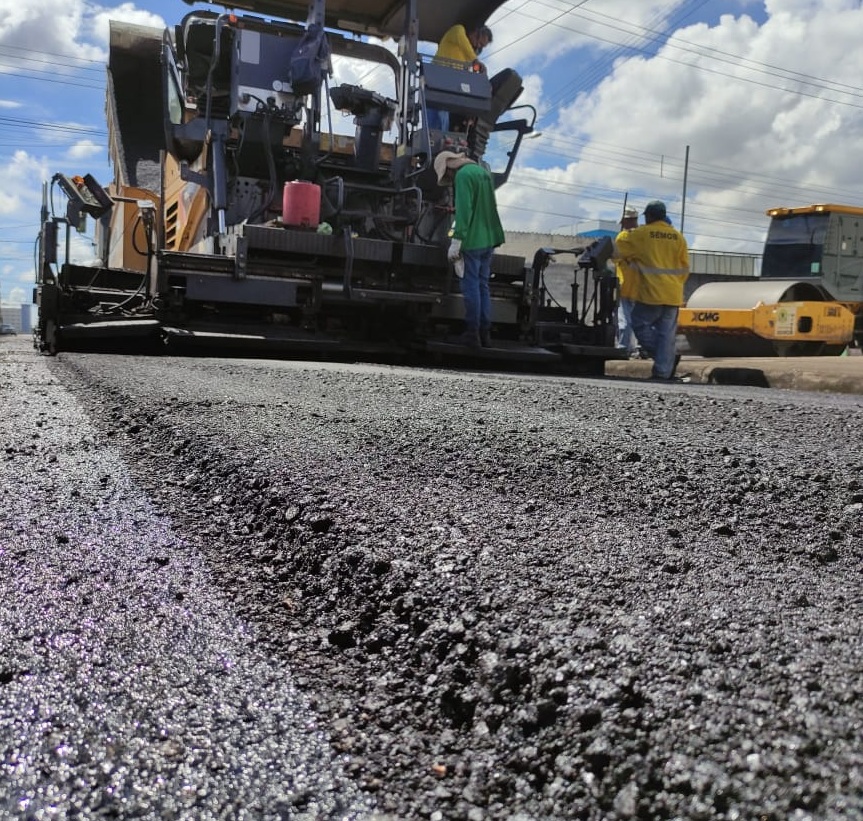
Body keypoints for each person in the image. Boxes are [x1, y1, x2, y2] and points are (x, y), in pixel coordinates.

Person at [433, 149, 505, 348]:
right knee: (483, 286)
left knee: (471, 286)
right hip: (489, 239)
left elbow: (464, 211)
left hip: (472, 240)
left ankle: (472, 334)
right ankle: (485, 334)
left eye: (446, 174)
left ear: (449, 166)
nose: (448, 178)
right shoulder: (482, 172)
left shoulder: (463, 176)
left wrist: (457, 240)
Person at [613, 200, 689, 381]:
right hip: (673, 294)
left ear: (649, 216)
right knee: (666, 334)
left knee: (639, 325)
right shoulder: (678, 237)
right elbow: (685, 268)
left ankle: (665, 357)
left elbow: (616, 254)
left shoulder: (641, 234)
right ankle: (663, 370)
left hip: (650, 293)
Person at [426, 24, 493, 133]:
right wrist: (476, 61)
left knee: (443, 124)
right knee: (436, 120)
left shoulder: (467, 58)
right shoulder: (458, 30)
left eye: (481, 46)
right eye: (479, 41)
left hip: (448, 89)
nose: (477, 45)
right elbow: (462, 40)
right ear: (475, 32)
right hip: (435, 82)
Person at [614, 206, 640, 357]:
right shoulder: (643, 237)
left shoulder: (622, 237)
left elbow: (616, 257)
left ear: (625, 220)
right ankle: (636, 347)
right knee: (639, 320)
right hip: (639, 286)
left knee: (624, 320)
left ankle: (623, 348)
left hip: (625, 285)